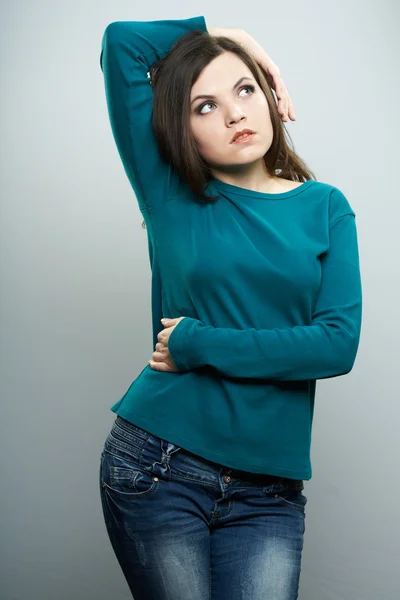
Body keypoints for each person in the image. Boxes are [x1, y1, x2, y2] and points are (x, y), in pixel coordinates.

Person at [98, 16, 362, 600]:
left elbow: (336, 343)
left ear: (267, 96)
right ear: (182, 130)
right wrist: (238, 38)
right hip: (160, 467)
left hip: (269, 491)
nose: (236, 113)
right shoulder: (170, 192)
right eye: (205, 106)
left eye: (245, 89)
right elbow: (123, 42)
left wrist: (198, 343)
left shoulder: (325, 207)